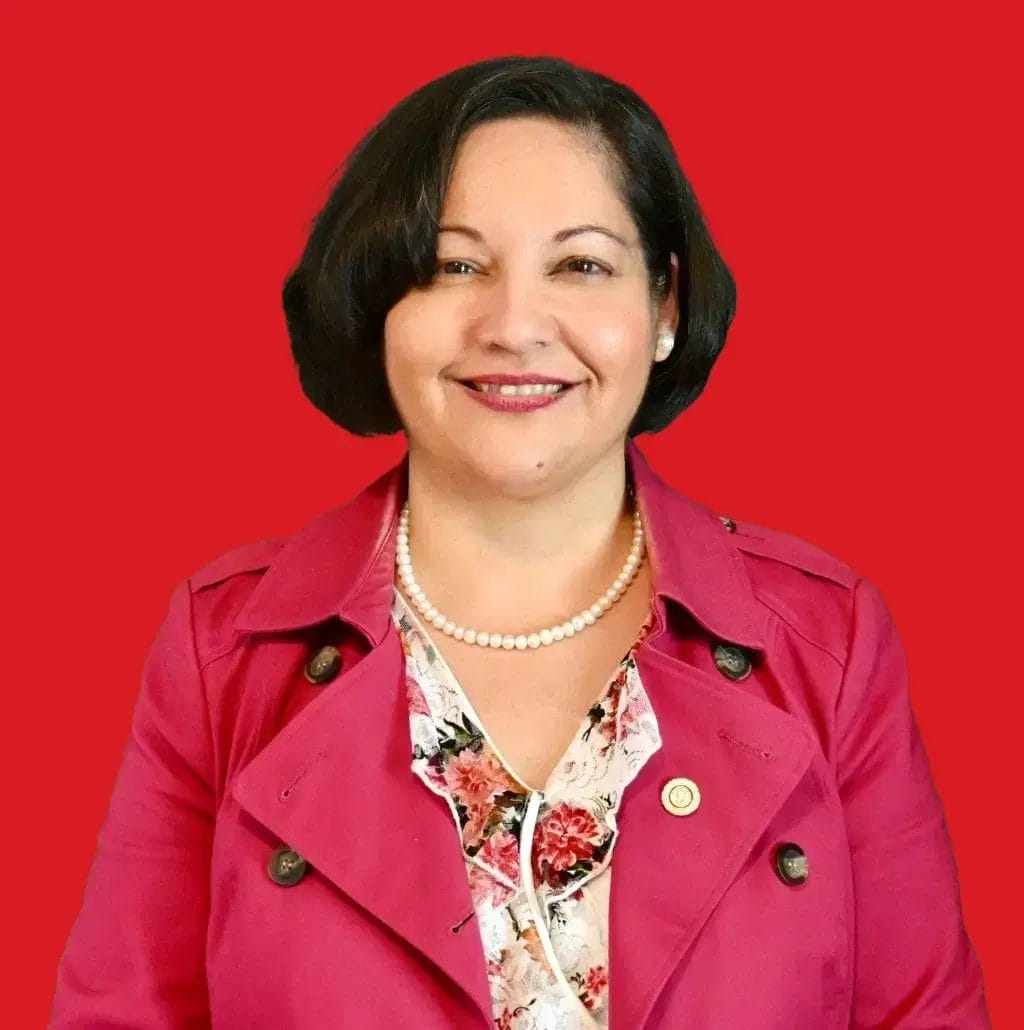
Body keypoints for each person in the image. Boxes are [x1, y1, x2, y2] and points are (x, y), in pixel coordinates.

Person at [51, 55, 990, 1029]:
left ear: (662, 307)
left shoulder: (826, 642)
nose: (513, 324)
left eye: (580, 264)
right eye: (455, 264)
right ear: (381, 306)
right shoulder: (226, 651)